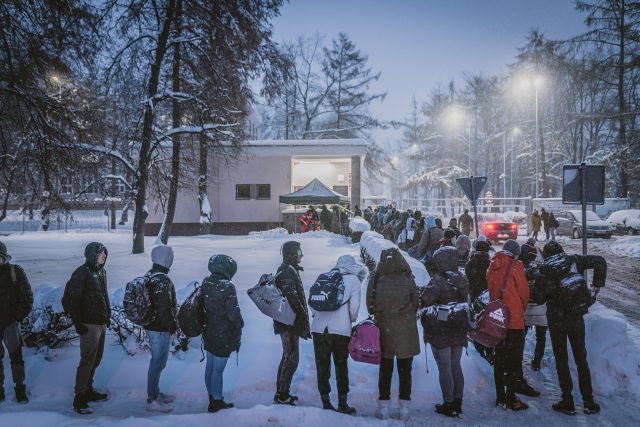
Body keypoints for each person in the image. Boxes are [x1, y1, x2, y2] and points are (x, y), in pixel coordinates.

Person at [537, 241, 606, 415]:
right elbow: (600, 261)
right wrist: (596, 286)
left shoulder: (545, 270)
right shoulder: (573, 260)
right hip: (576, 317)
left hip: (557, 320)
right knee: (581, 359)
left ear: (546, 255)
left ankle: (567, 401)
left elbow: (539, 298)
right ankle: (588, 401)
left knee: (562, 360)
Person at [367, 248, 420, 421]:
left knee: (385, 369)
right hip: (406, 330)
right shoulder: (408, 279)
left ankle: (383, 406)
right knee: (406, 371)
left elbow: (370, 305)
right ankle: (404, 408)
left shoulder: (376, 279)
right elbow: (416, 302)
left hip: (384, 330)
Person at [311, 255, 365, 415]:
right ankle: (343, 403)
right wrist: (350, 320)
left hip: (319, 329)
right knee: (341, 367)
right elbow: (354, 309)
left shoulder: (324, 277)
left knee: (322, 366)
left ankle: (325, 401)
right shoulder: (353, 280)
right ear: (352, 266)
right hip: (340, 331)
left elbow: (313, 306)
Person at [420, 246, 469, 417]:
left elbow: (425, 300)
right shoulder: (462, 278)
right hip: (459, 328)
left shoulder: (437, 281)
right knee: (456, 366)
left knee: (445, 368)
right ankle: (458, 401)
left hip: (442, 330)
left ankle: (448, 403)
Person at [66, 242, 111, 414]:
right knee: (87, 361)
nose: (104, 256)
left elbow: (104, 295)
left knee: (96, 359)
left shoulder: (102, 272)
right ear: (92, 254)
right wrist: (77, 322)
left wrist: (108, 315)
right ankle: (79, 398)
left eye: (105, 253)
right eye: (101, 253)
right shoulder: (81, 273)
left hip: (101, 323)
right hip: (88, 324)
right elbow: (72, 299)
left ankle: (88, 390)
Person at [486, 239, 529, 411]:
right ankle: (511, 399)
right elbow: (524, 293)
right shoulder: (517, 266)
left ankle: (500, 397)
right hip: (514, 321)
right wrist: (519, 308)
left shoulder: (492, 266)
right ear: (515, 253)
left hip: (498, 320)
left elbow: (491, 292)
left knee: (499, 359)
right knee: (513, 361)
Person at [201, 254, 244, 413]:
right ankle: (217, 403)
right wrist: (240, 325)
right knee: (218, 370)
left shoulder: (206, 282)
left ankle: (212, 397)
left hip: (209, 331)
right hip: (223, 333)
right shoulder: (227, 286)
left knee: (210, 367)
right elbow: (233, 314)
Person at [273, 241, 310, 405]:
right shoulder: (287, 272)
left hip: (288, 321)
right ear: (290, 254)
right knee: (292, 358)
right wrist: (302, 317)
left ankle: (281, 392)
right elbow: (292, 297)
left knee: (287, 356)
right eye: (298, 251)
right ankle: (282, 395)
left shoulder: (288, 269)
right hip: (289, 323)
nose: (301, 255)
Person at [144, 245, 178, 413]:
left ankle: (155, 393)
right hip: (159, 329)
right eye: (169, 257)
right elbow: (164, 308)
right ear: (164, 259)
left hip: (154, 327)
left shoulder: (151, 275)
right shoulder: (161, 279)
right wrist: (172, 328)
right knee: (157, 363)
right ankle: (152, 400)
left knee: (157, 363)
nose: (171, 260)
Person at [0, 241, 33, 404]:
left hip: (10, 323)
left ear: (4, 257)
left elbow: (27, 297)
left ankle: (20, 389)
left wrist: (16, 318)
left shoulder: (15, 271)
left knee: (16, 357)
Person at [520, 243, 547, 372]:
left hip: (525, 310)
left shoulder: (519, 269)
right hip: (541, 310)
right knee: (541, 338)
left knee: (521, 337)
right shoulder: (542, 269)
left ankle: (518, 358)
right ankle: (537, 362)